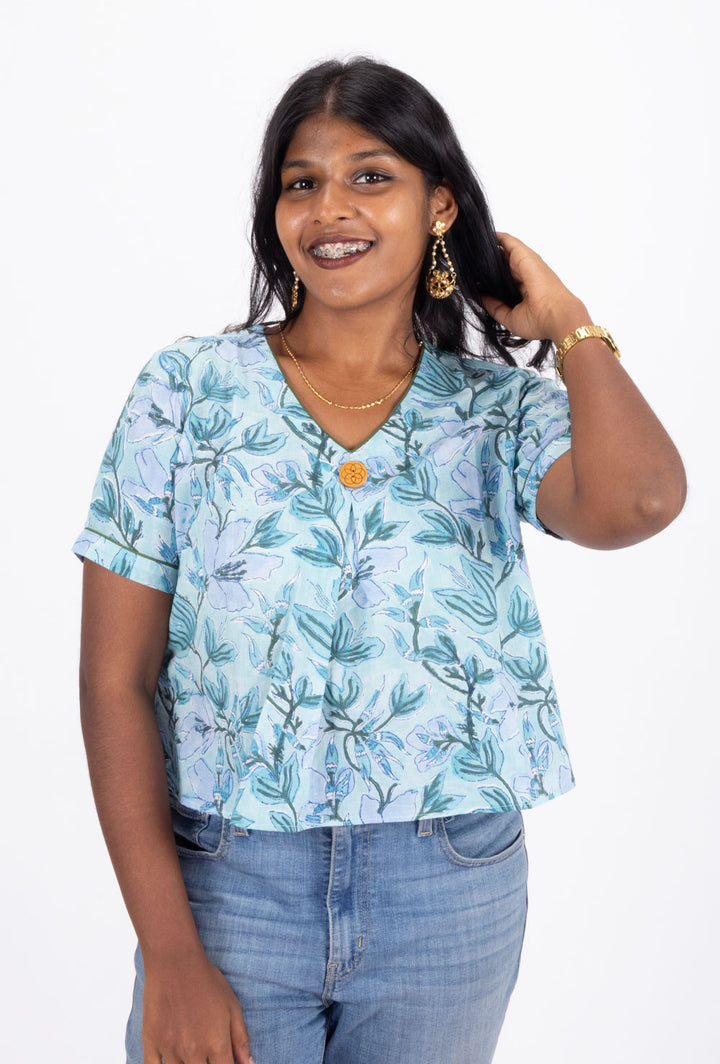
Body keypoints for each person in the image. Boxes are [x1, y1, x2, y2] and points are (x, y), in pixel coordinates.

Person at [74, 57, 686, 1064]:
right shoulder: (188, 391)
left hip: (448, 885)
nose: (330, 209)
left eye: (371, 176)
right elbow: (114, 682)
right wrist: (171, 952)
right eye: (301, 182)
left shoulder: (499, 411)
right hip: (229, 880)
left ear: (439, 204)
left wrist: (569, 323)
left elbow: (643, 502)